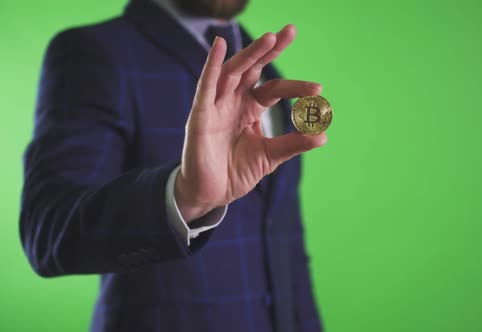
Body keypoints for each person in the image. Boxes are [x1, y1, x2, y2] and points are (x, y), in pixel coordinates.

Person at [19, 0, 326, 330]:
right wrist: (183, 197)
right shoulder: (95, 52)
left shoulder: (265, 67)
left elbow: (283, 247)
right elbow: (48, 230)